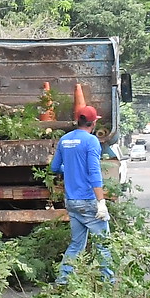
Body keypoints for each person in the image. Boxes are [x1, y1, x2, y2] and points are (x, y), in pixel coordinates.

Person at [49, 104, 113, 284]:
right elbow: (94, 172)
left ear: (78, 121)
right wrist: (101, 202)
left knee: (76, 244)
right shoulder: (91, 141)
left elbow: (54, 167)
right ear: (93, 124)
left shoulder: (65, 140)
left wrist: (70, 170)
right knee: (103, 245)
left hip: (72, 202)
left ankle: (62, 281)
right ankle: (108, 283)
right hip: (88, 201)